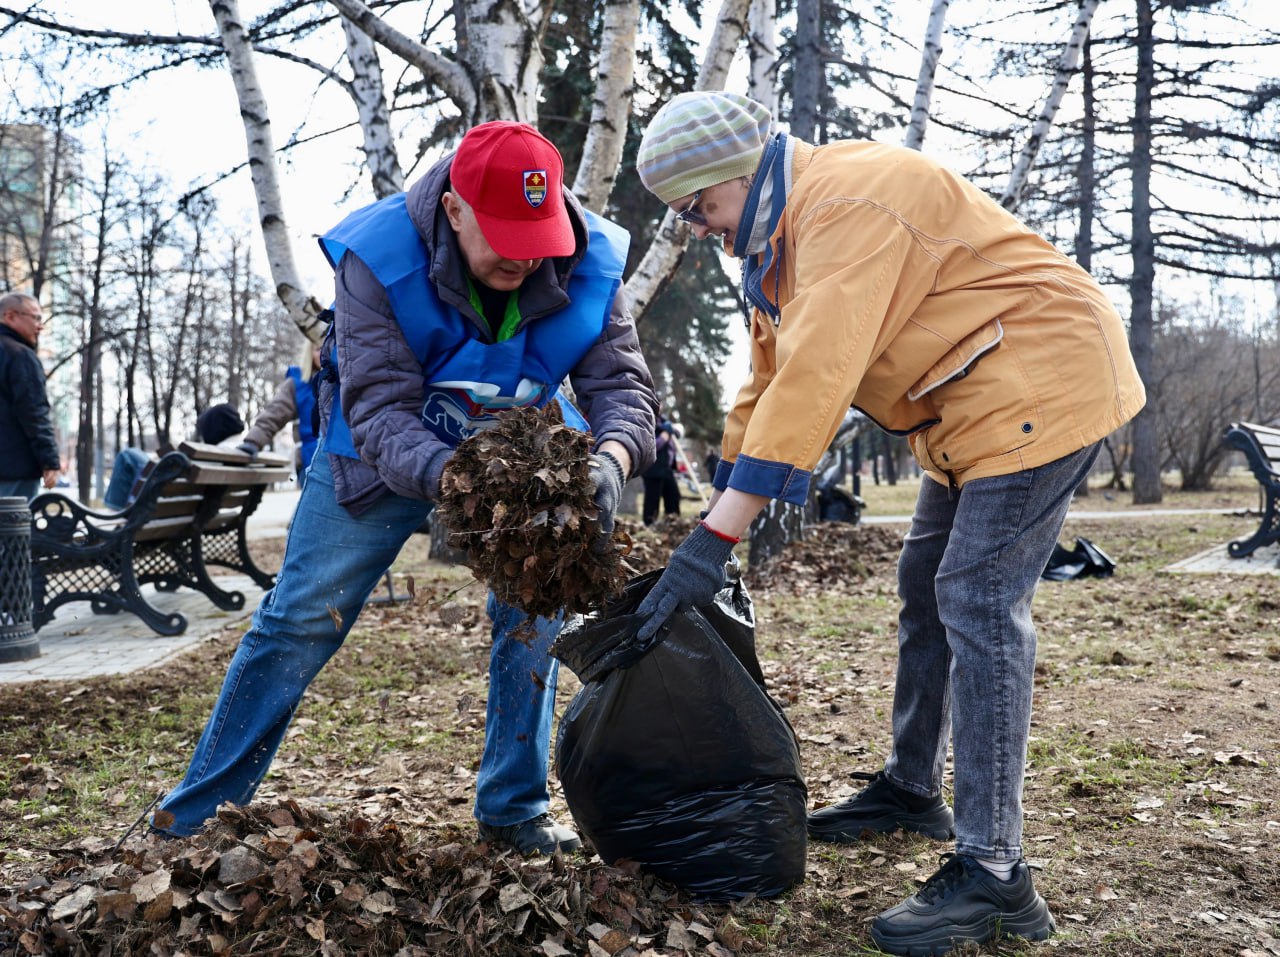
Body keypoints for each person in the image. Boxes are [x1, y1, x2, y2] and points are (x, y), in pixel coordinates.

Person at [634, 91, 1145, 955]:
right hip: (969, 403)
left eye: (698, 205)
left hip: (1043, 375)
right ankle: (913, 787)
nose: (696, 226)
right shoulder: (776, 243)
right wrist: (714, 511)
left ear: (739, 173)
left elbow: (816, 374)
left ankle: (995, 873)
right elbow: (765, 384)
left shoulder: (844, 203)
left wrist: (719, 537)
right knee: (924, 583)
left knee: (977, 598)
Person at [155, 121, 658, 856]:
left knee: (535, 615)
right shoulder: (379, 257)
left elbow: (620, 386)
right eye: (505, 237)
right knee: (300, 618)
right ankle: (193, 815)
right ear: (454, 210)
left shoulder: (588, 257)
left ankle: (513, 811)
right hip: (376, 456)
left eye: (537, 235)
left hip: (518, 457)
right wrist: (463, 484)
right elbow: (380, 409)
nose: (526, 256)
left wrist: (611, 459)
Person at [236, 341, 324, 487]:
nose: (324, 352)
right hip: (312, 459)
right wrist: (253, 442)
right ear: (309, 353)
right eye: (318, 348)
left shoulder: (347, 380)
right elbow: (275, 413)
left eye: (330, 346)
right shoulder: (298, 384)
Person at [0, 293, 59, 500]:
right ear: (10, 316)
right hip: (14, 468)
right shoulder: (19, 356)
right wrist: (50, 461)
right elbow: (34, 412)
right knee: (13, 521)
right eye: (36, 318)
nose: (40, 326)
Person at [641, 419, 682, 525]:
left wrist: (673, 431)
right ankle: (649, 524)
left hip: (666, 469)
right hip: (653, 469)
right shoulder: (647, 421)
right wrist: (663, 437)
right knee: (652, 499)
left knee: (673, 495)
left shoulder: (664, 421)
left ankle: (672, 522)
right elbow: (651, 447)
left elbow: (677, 434)